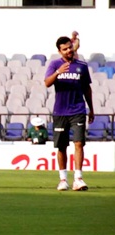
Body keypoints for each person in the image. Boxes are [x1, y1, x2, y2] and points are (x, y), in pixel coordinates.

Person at [45, 36, 94, 191]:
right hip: (60, 111)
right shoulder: (54, 64)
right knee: (62, 147)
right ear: (59, 51)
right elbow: (47, 83)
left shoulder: (82, 66)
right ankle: (63, 179)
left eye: (69, 48)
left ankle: (78, 178)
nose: (68, 51)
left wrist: (91, 108)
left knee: (79, 143)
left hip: (78, 110)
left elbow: (87, 88)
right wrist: (58, 72)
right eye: (64, 49)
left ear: (73, 48)